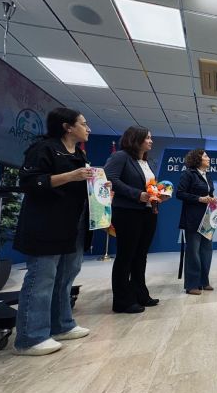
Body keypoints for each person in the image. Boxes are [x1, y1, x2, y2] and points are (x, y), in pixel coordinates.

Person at [13, 107, 93, 355]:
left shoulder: (78, 154)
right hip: (45, 223)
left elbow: (81, 184)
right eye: (83, 123)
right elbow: (29, 182)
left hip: (72, 223)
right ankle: (30, 337)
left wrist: (97, 184)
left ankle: (62, 325)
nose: (87, 128)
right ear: (67, 127)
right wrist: (71, 176)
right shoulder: (43, 149)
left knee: (66, 275)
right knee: (42, 278)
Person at [104, 126, 168, 313]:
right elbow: (110, 178)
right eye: (148, 138)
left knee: (140, 256)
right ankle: (122, 301)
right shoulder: (121, 156)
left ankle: (140, 293)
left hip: (147, 212)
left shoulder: (144, 162)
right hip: (127, 212)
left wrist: (158, 195)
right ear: (136, 139)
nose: (151, 141)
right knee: (126, 256)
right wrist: (137, 194)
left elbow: (148, 187)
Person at [177, 149, 217, 295]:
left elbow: (209, 193)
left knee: (207, 250)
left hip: (207, 218)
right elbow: (180, 193)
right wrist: (199, 199)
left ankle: (204, 281)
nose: (208, 158)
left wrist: (213, 198)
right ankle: (192, 285)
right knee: (193, 251)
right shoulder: (188, 174)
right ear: (198, 159)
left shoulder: (208, 175)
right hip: (192, 218)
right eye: (206, 156)